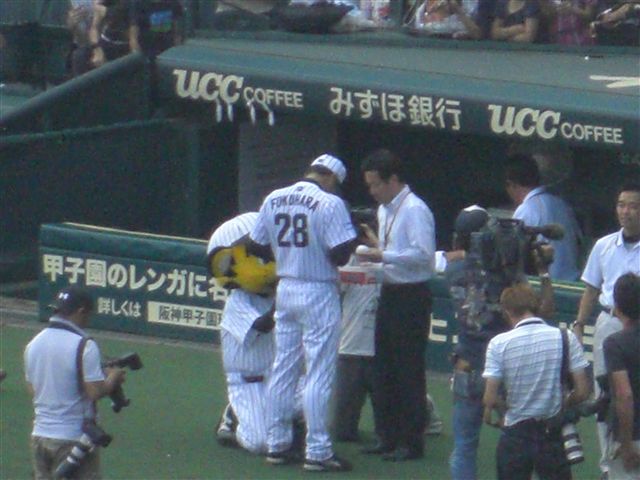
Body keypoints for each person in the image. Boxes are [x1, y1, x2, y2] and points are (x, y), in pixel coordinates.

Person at [249, 153, 357, 472]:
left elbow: (255, 246)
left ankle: (278, 444)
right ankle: (318, 451)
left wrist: (288, 255)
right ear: (331, 178)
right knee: (319, 371)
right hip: (318, 290)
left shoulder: (274, 197)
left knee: (284, 367)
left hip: (286, 288)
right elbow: (340, 256)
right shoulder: (330, 202)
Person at [446, 204, 556, 480]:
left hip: (468, 366)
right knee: (521, 444)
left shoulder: (453, 267)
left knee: (464, 447)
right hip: (506, 371)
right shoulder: (507, 275)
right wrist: (539, 267)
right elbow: (543, 310)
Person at [358, 148, 435, 462]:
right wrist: (378, 252)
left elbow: (424, 256)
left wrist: (382, 255)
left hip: (412, 295)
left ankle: (410, 441)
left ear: (393, 180)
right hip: (389, 291)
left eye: (376, 184)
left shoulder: (415, 209)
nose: (372, 191)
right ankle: (386, 436)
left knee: (408, 370)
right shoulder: (384, 210)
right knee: (383, 369)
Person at [483, 283, 590, 480]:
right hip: (552, 432)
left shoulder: (498, 344)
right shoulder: (565, 337)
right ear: (535, 306)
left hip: (515, 434)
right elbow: (583, 391)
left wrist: (503, 410)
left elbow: (489, 398)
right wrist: (564, 402)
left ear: (507, 311)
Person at [573, 181, 640, 479]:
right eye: (621, 205)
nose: (626, 211)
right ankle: (606, 463)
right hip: (609, 320)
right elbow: (591, 289)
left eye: (633, 206)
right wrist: (579, 324)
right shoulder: (603, 245)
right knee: (605, 395)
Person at [24, 287, 126, 480]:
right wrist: (113, 377)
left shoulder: (33, 344)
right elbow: (94, 392)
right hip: (73, 439)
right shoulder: (84, 345)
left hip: (40, 435)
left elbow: (33, 390)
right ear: (81, 311)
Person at [207, 212, 278, 454]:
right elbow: (263, 325)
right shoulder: (238, 301)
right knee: (259, 443)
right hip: (248, 383)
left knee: (315, 399)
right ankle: (232, 414)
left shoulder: (277, 291)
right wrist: (287, 299)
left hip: (278, 377)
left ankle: (289, 420)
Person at [505, 153, 581, 282]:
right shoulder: (562, 204)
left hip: (545, 284)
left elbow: (512, 256)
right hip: (572, 284)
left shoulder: (525, 210)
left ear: (511, 185)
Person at [604, 273, 640, 480]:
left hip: (633, 437)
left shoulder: (615, 344)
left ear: (617, 307)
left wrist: (626, 445)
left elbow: (624, 395)